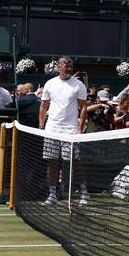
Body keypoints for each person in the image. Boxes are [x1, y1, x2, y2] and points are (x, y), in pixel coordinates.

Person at [39, 57, 88, 206]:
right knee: (52, 163)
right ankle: (52, 195)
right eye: (66, 66)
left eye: (70, 67)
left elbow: (83, 107)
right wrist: (41, 127)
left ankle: (84, 193)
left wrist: (79, 129)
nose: (69, 69)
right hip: (52, 130)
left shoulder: (78, 85)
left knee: (75, 162)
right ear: (59, 67)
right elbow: (43, 106)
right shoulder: (50, 84)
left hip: (70, 132)